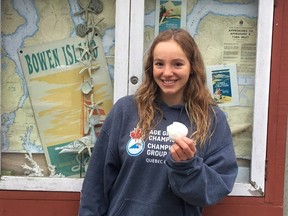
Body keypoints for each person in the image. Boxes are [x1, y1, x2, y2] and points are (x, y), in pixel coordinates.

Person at [78, 28, 238, 216]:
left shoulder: (212, 119)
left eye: (177, 64)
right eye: (159, 64)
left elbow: (214, 190)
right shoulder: (126, 110)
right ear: (151, 67)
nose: (167, 73)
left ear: (192, 67)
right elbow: (96, 183)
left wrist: (187, 166)